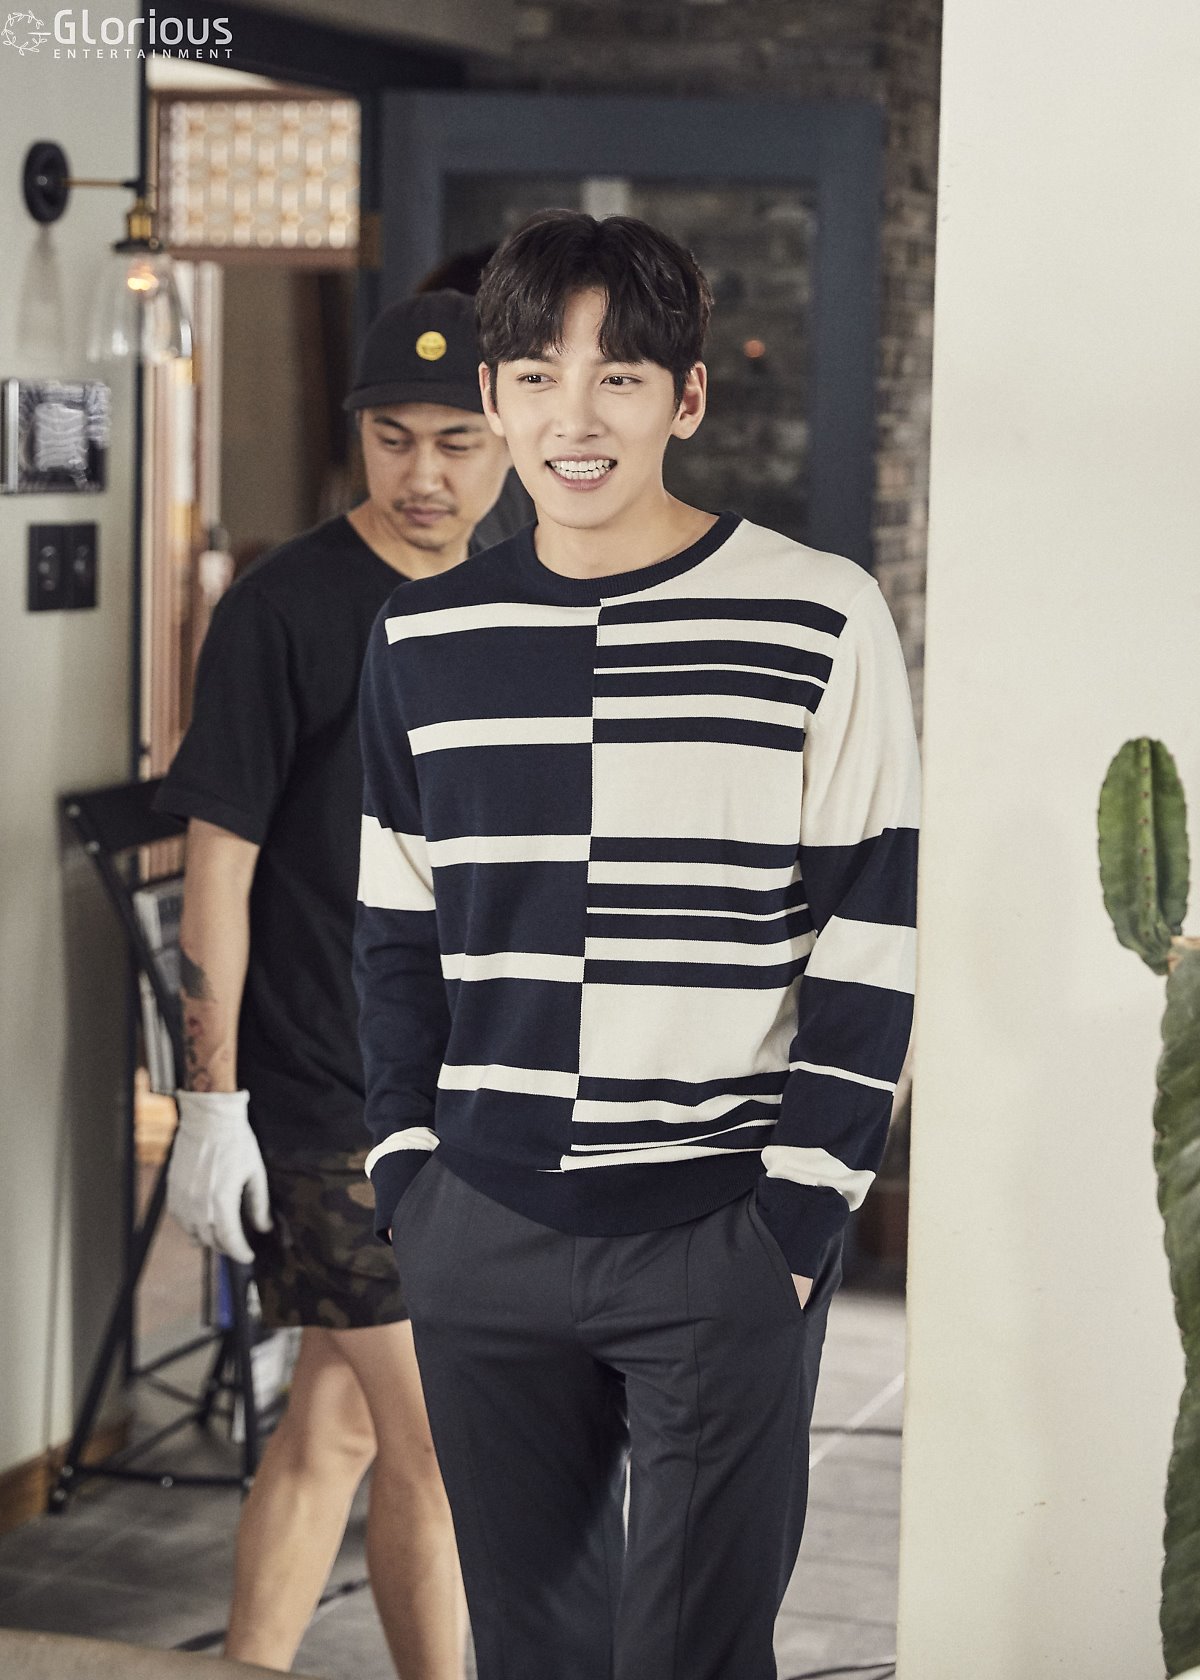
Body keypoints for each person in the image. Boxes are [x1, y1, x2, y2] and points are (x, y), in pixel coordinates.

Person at [355, 211, 921, 1680]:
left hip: (719, 1229)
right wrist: (410, 1177)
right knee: (531, 1653)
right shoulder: (420, 641)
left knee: (694, 1656)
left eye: (618, 377)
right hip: (482, 1223)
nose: (575, 417)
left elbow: (872, 930)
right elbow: (396, 934)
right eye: (537, 375)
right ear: (493, 398)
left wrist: (796, 1218)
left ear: (688, 398)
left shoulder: (819, 617)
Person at [157, 289, 511, 1675]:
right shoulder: (283, 609)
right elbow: (218, 866)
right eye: (393, 437)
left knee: (338, 1428)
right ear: (358, 433)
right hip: (329, 1098)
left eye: (458, 442)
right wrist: (209, 1102)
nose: (424, 474)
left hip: (462, 1091)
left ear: (509, 438)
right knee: (446, 1441)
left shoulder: (517, 596)